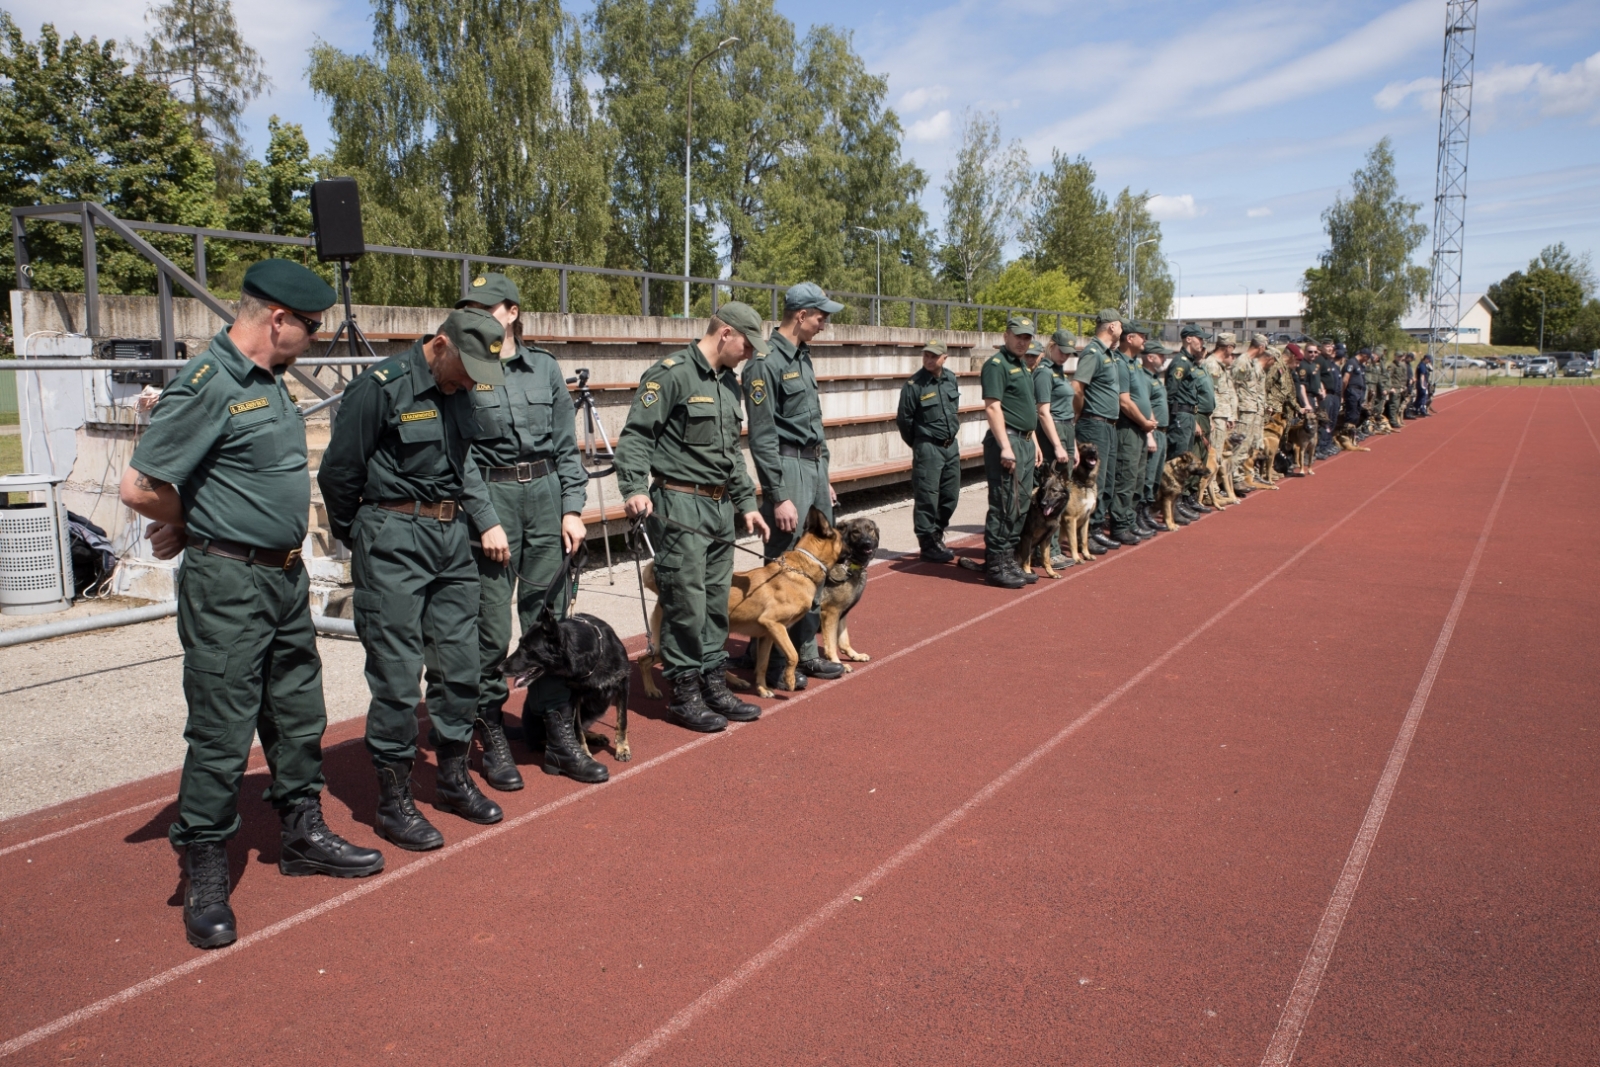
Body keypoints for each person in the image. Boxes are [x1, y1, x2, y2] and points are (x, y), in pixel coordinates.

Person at [121, 259, 384, 949]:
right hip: (230, 583)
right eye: (313, 327)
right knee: (222, 727)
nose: (317, 338)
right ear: (278, 319)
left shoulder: (266, 381)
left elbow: (232, 471)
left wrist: (201, 508)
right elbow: (139, 484)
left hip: (283, 577)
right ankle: (203, 867)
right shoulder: (210, 382)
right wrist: (197, 517)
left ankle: (301, 832)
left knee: (297, 711)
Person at [319, 308, 511, 853]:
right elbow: (338, 473)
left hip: (452, 539)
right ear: (441, 343)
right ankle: (392, 800)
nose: (473, 380)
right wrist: (366, 535)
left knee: (459, 665)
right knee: (398, 674)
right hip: (393, 535)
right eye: (468, 366)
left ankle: (451, 778)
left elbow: (464, 463)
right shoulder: (380, 388)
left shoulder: (460, 388)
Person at [436, 273, 594, 786]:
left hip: (546, 496)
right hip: (492, 497)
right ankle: (492, 728)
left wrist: (573, 507)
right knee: (490, 627)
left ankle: (553, 729)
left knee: (548, 622)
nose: (477, 316)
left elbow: (566, 447)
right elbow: (459, 456)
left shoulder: (543, 367)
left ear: (512, 311)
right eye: (468, 308)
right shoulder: (465, 367)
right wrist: (485, 520)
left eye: (486, 308)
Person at [615, 303, 770, 730]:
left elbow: (730, 457)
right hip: (679, 504)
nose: (749, 354)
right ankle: (683, 692)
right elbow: (636, 437)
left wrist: (748, 505)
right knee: (685, 600)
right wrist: (632, 489)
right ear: (725, 334)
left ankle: (712, 682)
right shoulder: (670, 374)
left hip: (720, 508)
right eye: (746, 344)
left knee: (716, 600)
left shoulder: (727, 385)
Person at [741, 282, 845, 689]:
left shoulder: (803, 356)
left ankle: (805, 652)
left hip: (813, 466)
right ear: (800, 315)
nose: (825, 323)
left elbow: (814, 423)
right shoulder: (764, 362)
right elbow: (763, 434)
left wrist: (826, 478)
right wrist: (778, 494)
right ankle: (767, 659)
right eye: (821, 316)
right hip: (786, 467)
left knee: (816, 564)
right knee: (784, 562)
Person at [978, 314, 1046, 587]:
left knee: (1020, 504)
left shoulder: (1021, 365)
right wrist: (1006, 447)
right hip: (1008, 442)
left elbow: (1027, 410)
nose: (1022, 341)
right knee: (1005, 503)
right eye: (1018, 336)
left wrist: (1035, 442)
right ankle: (996, 564)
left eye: (1027, 337)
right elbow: (993, 407)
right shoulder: (997, 365)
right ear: (1006, 335)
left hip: (1025, 442)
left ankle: (1009, 559)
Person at [897, 340, 962, 563]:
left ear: (945, 357)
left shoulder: (950, 378)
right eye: (926, 355)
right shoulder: (914, 385)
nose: (929, 360)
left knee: (950, 495)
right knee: (927, 496)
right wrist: (919, 444)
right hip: (928, 446)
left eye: (934, 356)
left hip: (950, 445)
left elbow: (954, 411)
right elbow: (904, 420)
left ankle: (937, 532)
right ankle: (927, 543)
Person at [1072, 309, 1125, 553]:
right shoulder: (1093, 352)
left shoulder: (1109, 355)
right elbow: (1077, 387)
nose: (1122, 330)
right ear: (1112, 326)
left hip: (1109, 425)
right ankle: (1090, 530)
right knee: (1095, 480)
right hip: (1094, 423)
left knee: (1106, 480)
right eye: (1120, 325)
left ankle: (1095, 526)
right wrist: (1080, 414)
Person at [1109, 320, 1159, 544]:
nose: (1145, 339)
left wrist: (1150, 419)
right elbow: (1125, 402)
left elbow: (1141, 397)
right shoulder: (1120, 363)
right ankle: (1120, 524)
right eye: (1142, 335)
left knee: (1137, 478)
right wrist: (1144, 421)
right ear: (1129, 338)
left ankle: (1130, 520)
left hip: (1139, 428)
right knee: (1126, 477)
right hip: (1128, 428)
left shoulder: (1135, 363)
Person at [1037, 327, 1081, 567]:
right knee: (1050, 494)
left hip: (1066, 430)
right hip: (1053, 432)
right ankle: (1048, 550)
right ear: (1052, 346)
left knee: (1062, 494)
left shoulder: (1059, 371)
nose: (1065, 356)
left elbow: (1067, 412)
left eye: (1068, 353)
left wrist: (1071, 444)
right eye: (1062, 351)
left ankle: (1051, 547)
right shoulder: (1044, 372)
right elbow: (1044, 412)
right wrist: (1057, 445)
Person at [1164, 326, 1206, 521]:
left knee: (1186, 458)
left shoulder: (1189, 362)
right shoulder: (1181, 363)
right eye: (1200, 339)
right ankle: (1173, 505)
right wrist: (1173, 418)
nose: (1202, 343)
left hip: (1188, 415)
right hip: (1180, 415)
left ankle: (1179, 502)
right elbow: (1171, 391)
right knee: (1179, 460)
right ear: (1189, 339)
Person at [1200, 333, 1238, 497]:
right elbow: (1209, 394)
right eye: (1233, 348)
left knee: (1218, 453)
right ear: (1228, 347)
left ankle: (1214, 488)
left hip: (1222, 415)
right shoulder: (1212, 365)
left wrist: (1230, 415)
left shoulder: (1220, 365)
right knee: (1213, 455)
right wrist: (1212, 417)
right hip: (1215, 416)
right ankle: (1211, 491)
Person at [1139, 340, 1172, 532]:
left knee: (1156, 475)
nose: (1165, 358)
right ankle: (1142, 512)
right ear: (1150, 357)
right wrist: (1150, 435)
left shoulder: (1154, 377)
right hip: (1152, 433)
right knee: (1148, 476)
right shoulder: (1144, 378)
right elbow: (1145, 407)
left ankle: (1147, 511)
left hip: (1162, 432)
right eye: (1161, 355)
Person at [1231, 333, 1268, 494]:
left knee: (1245, 446)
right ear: (1260, 347)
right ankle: (1233, 478)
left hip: (1252, 407)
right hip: (1244, 409)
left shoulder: (1252, 362)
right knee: (1239, 446)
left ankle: (1237, 477)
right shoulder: (1242, 361)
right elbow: (1233, 385)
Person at [1315, 342, 1343, 458]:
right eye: (1327, 346)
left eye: (1332, 346)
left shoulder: (1328, 362)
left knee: (1330, 421)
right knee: (1324, 421)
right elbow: (1317, 376)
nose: (1331, 348)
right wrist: (1321, 388)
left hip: (1333, 395)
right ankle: (1320, 447)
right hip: (1325, 395)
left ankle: (1326, 444)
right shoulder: (1320, 360)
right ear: (1320, 348)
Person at [1340, 346, 1367, 434]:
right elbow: (1345, 379)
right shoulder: (1351, 362)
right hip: (1352, 391)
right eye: (1367, 358)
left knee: (1356, 414)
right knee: (1351, 414)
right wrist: (1342, 393)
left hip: (1358, 392)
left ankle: (1353, 434)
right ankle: (1347, 434)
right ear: (1364, 356)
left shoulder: (1358, 364)